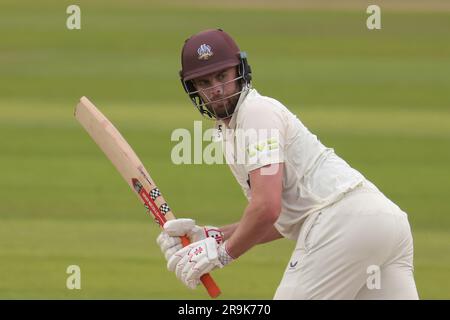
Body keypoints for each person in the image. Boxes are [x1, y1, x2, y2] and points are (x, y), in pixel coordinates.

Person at [156, 28, 419, 299]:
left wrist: (222, 255)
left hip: (341, 224)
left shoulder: (255, 113)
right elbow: (282, 218)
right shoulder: (230, 130)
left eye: (222, 76)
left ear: (240, 71)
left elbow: (267, 208)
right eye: (204, 82)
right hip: (383, 224)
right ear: (193, 89)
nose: (216, 89)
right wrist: (214, 237)